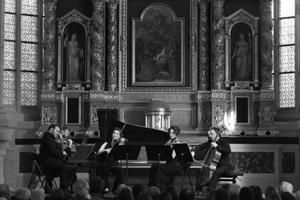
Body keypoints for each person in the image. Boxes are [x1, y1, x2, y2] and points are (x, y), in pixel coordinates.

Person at [193, 127, 233, 193]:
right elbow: (201, 146)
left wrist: (217, 146)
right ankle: (198, 191)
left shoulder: (224, 141)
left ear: (217, 134)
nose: (210, 135)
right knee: (200, 171)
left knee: (216, 172)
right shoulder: (210, 141)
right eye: (210, 134)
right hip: (214, 164)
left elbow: (228, 151)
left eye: (212, 134)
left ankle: (210, 191)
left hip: (224, 165)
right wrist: (193, 151)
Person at [39, 124, 77, 192]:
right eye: (57, 131)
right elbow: (53, 152)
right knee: (68, 167)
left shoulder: (50, 138)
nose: (58, 133)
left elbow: (56, 152)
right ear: (51, 130)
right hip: (48, 165)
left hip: (52, 163)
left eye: (59, 131)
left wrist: (64, 152)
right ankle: (64, 188)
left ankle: (68, 188)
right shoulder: (47, 138)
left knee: (71, 167)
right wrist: (63, 153)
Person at [148, 126, 181, 191]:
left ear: (176, 134)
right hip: (168, 164)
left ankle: (158, 188)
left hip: (174, 165)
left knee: (157, 167)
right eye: (170, 133)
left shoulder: (177, 143)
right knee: (154, 167)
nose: (171, 134)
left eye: (173, 133)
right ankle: (152, 187)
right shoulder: (168, 142)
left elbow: (172, 157)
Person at [95, 127, 125, 193]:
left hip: (112, 166)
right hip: (104, 164)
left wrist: (119, 142)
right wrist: (105, 150)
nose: (115, 134)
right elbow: (98, 153)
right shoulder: (106, 144)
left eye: (117, 134)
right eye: (114, 133)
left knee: (121, 171)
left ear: (119, 136)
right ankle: (106, 188)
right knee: (103, 166)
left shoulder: (119, 144)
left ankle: (116, 190)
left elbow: (121, 151)